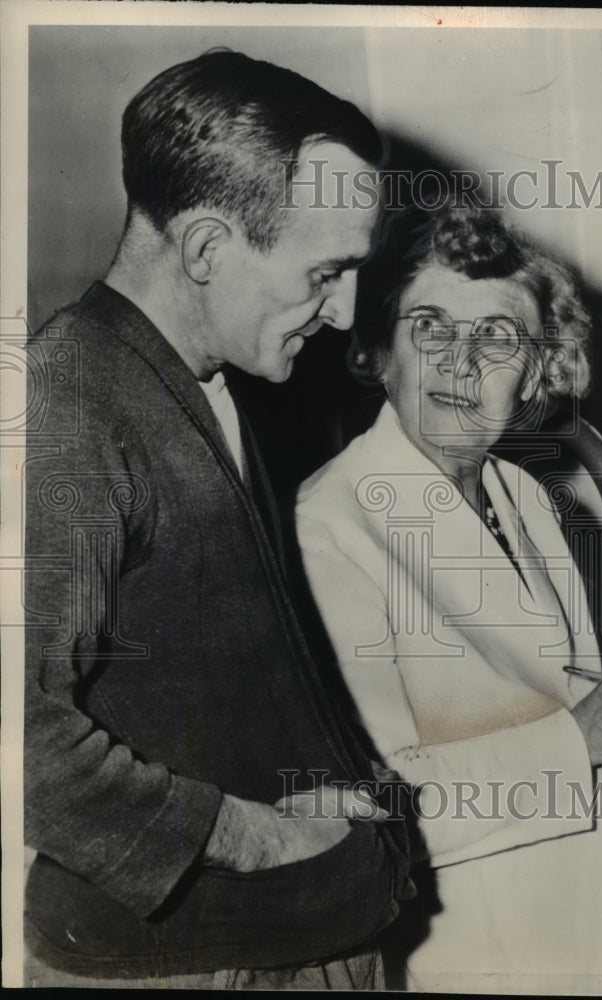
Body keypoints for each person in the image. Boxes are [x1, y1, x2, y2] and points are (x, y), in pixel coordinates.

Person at [24, 49, 412, 989]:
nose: (344, 312)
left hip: (291, 940)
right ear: (204, 249)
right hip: (186, 962)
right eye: (327, 271)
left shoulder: (226, 386)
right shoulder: (64, 404)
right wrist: (258, 838)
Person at [295, 208, 602, 993]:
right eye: (430, 326)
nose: (462, 363)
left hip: (597, 879)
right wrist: (579, 737)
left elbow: (538, 677)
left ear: (541, 372)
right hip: (480, 928)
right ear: (376, 354)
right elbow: (374, 809)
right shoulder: (330, 521)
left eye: (498, 337)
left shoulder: (518, 491)